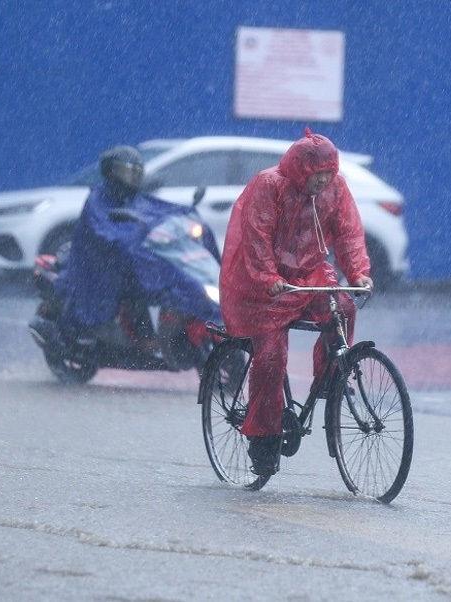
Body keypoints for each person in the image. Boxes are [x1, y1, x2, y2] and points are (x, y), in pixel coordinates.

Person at [219, 128, 373, 476]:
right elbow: (256, 238)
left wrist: (358, 273)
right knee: (271, 357)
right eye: (316, 175)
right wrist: (268, 279)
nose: (321, 181)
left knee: (343, 308)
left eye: (327, 174)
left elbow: (349, 234)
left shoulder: (336, 189)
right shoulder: (269, 185)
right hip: (265, 285)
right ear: (301, 171)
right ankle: (263, 439)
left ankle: (332, 376)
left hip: (310, 274)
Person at [54, 145, 219, 357]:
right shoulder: (98, 199)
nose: (132, 177)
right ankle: (143, 341)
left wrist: (187, 214)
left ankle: (166, 338)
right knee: (144, 284)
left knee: (173, 280)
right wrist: (130, 239)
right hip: (102, 268)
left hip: (131, 262)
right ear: (111, 171)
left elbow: (160, 210)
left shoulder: (135, 197)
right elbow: (103, 232)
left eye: (136, 172)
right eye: (127, 171)